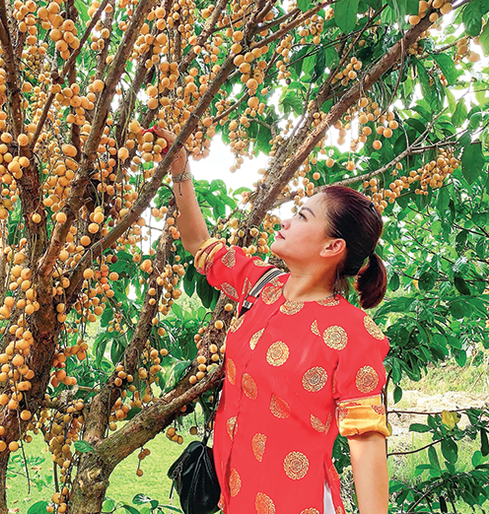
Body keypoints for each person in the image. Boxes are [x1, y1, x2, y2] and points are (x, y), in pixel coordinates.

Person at [152, 126, 390, 514]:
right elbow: (199, 243)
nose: (286, 220)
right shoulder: (260, 284)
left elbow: (365, 441)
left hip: (299, 504)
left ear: (332, 246)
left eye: (301, 216)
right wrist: (180, 168)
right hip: (236, 498)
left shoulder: (355, 333)